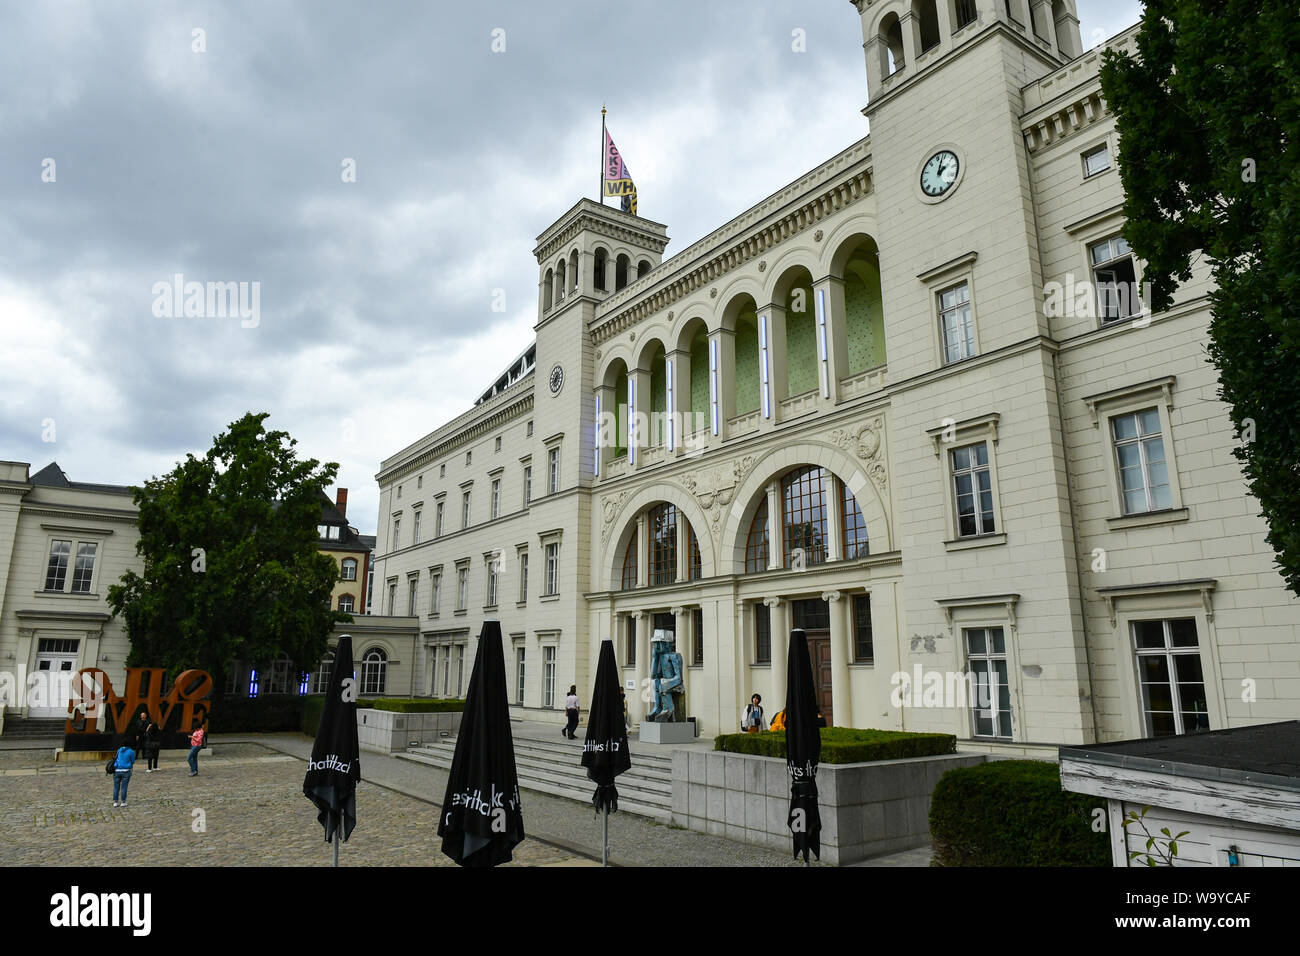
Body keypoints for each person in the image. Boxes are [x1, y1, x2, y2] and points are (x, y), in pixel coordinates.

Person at [111, 740, 135, 807]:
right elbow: (133, 761)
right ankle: (123, 802)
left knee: (116, 787)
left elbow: (116, 758)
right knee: (124, 787)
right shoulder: (131, 751)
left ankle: (115, 802)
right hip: (126, 771)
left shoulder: (119, 750)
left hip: (117, 770)